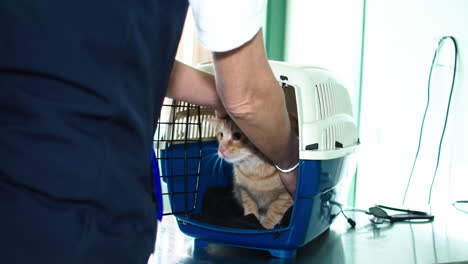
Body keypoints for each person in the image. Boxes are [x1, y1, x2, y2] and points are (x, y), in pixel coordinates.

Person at [0, 0, 298, 263]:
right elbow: (247, 98)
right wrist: (289, 161)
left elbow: (120, 54)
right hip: (74, 201)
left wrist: (218, 97)